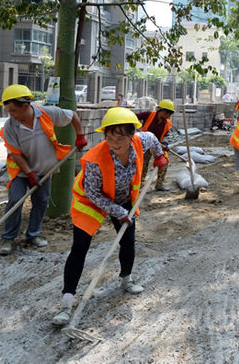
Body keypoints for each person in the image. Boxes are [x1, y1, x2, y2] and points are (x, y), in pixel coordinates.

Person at [51, 107, 167, 327]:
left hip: (122, 197)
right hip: (90, 201)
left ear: (132, 135)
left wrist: (160, 156)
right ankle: (66, 302)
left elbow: (152, 138)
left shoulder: (139, 142)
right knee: (80, 246)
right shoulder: (95, 159)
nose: (114, 142)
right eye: (109, 136)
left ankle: (126, 279)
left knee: (128, 240)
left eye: (120, 137)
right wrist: (118, 212)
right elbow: (94, 193)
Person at [0, 84, 86, 256]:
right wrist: (29, 173)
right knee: (15, 200)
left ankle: (33, 235)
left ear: (25, 106)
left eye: (13, 111)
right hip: (21, 172)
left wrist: (80, 135)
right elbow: (16, 154)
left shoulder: (47, 113)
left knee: (41, 201)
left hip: (44, 169)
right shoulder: (10, 126)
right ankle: (7, 238)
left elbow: (73, 116)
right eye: (9, 112)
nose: (11, 115)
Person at [135, 99, 175, 191]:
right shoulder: (149, 115)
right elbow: (133, 117)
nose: (168, 116)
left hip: (158, 145)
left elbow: (165, 135)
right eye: (167, 113)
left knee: (164, 162)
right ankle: (140, 183)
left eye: (170, 114)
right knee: (143, 163)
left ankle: (159, 184)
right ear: (160, 111)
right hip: (145, 144)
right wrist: (133, 128)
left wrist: (165, 144)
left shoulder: (167, 123)